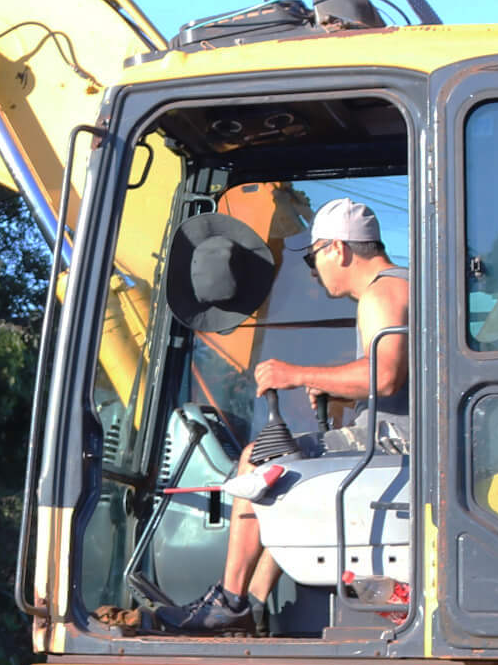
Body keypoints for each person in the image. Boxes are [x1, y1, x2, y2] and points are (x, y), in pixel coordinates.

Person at [157, 198, 410, 634]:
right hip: (397, 438)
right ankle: (253, 605)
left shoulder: (381, 292)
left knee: (259, 459)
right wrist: (332, 385)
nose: (314, 271)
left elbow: (385, 375)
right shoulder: (404, 284)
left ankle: (230, 598)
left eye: (313, 258)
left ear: (338, 249)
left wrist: (296, 373)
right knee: (294, 477)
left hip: (392, 443)